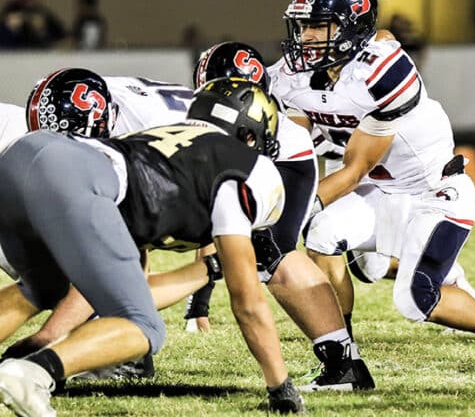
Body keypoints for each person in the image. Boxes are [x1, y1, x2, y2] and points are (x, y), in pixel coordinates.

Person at [0, 74, 305, 415]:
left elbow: (128, 290)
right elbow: (248, 303)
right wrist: (281, 387)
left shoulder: (163, 144)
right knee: (145, 328)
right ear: (250, 135)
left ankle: (25, 369)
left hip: (21, 158)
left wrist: (208, 268)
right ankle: (35, 374)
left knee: (44, 286)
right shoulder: (246, 167)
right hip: (73, 175)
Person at [271, 0, 475, 390]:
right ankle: (343, 362)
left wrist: (286, 211)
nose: (306, 36)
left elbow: (353, 170)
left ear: (351, 27)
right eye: (303, 25)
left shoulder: (381, 71)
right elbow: (295, 135)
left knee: (414, 299)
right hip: (382, 190)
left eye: (318, 25)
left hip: (435, 192)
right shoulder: (296, 72)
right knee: (322, 235)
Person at [190, 41, 375, 390]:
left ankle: (343, 362)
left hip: (286, 162)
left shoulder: (272, 121)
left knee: (270, 252)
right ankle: (343, 362)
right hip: (266, 157)